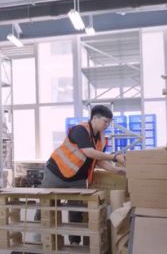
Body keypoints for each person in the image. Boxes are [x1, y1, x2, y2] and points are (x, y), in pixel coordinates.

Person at [45, 104, 126, 246]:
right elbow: (89, 152)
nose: (107, 125)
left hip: (78, 180)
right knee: (46, 206)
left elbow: (98, 161)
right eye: (105, 121)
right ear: (94, 118)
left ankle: (74, 242)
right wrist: (114, 157)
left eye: (109, 122)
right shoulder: (80, 130)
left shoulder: (101, 139)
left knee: (76, 211)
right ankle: (37, 240)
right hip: (56, 173)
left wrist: (118, 171)